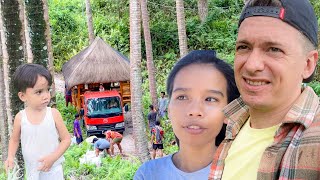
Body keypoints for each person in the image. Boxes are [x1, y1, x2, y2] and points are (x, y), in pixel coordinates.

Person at [208, 0, 320, 179]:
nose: (252, 65)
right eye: (244, 47)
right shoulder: (229, 125)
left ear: (308, 64)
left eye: (274, 49)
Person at [134, 50, 240, 179]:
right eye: (182, 97)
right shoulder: (148, 174)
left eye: (210, 99)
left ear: (228, 112)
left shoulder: (242, 172)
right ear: (169, 108)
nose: (194, 111)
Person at [5, 63, 71, 179]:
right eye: (39, 92)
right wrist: (10, 157)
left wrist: (53, 157)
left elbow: (66, 139)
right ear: (23, 96)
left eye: (47, 90)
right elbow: (14, 140)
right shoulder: (21, 118)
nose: (46, 96)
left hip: (53, 170)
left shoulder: (53, 114)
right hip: (32, 172)